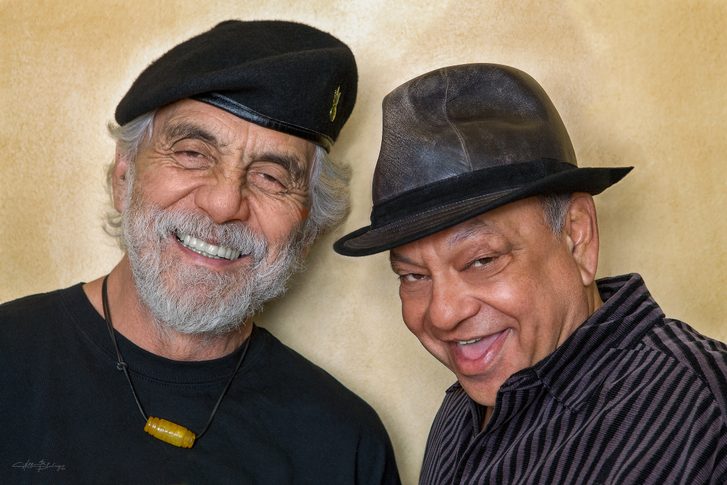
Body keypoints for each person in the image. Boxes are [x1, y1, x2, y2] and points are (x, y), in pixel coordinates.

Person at [0, 20, 400, 484]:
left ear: (307, 230)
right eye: (193, 154)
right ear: (124, 178)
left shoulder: (345, 444)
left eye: (271, 177)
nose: (224, 204)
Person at [334, 63, 727, 483]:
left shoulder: (701, 413)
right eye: (413, 276)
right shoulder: (461, 409)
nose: (443, 315)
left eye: (482, 260)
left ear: (577, 236)